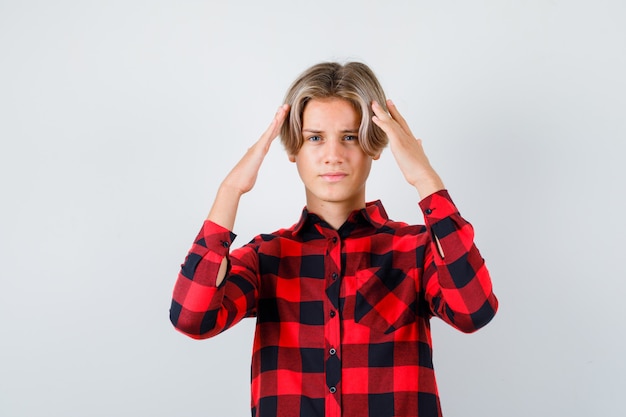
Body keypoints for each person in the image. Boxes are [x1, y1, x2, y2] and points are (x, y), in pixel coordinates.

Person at [170, 61, 498, 417]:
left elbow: (473, 311)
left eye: (350, 137)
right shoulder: (266, 257)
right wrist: (230, 190)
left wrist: (425, 179)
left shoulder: (415, 250)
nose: (333, 156)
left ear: (374, 145)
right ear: (293, 149)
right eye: (315, 138)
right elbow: (191, 317)